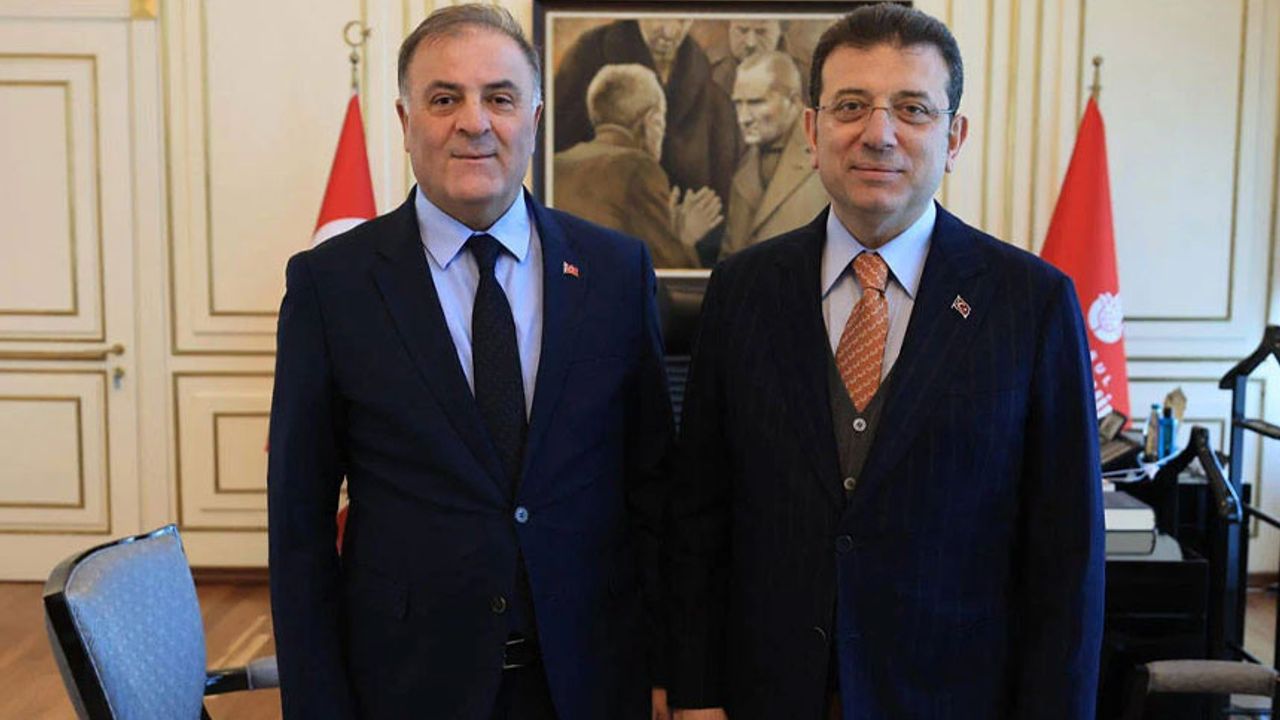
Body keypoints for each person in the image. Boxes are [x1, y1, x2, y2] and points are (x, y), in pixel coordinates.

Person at [668, 4, 1104, 720]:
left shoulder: (1032, 303)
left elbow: (1067, 555)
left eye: (912, 108)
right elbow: (700, 517)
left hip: (953, 700)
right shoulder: (742, 289)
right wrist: (695, 694)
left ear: (953, 138)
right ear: (813, 131)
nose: (879, 133)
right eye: (851, 106)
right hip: (768, 694)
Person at [267, 5, 673, 719]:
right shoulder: (330, 286)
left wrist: (673, 671)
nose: (474, 122)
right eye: (444, 98)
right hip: (408, 685)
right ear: (405, 121)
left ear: (535, 119)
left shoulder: (616, 271)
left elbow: (654, 493)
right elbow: (299, 526)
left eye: (500, 98)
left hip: (589, 679)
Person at [553, 18, 740, 264]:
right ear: (651, 121)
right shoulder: (639, 168)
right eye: (661, 16)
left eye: (682, 20)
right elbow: (669, 268)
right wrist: (683, 238)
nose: (670, 31)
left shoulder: (557, 164)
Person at [720, 51, 827, 259]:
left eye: (756, 102)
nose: (743, 118)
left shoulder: (828, 155)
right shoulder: (745, 165)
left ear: (793, 101)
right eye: (738, 103)